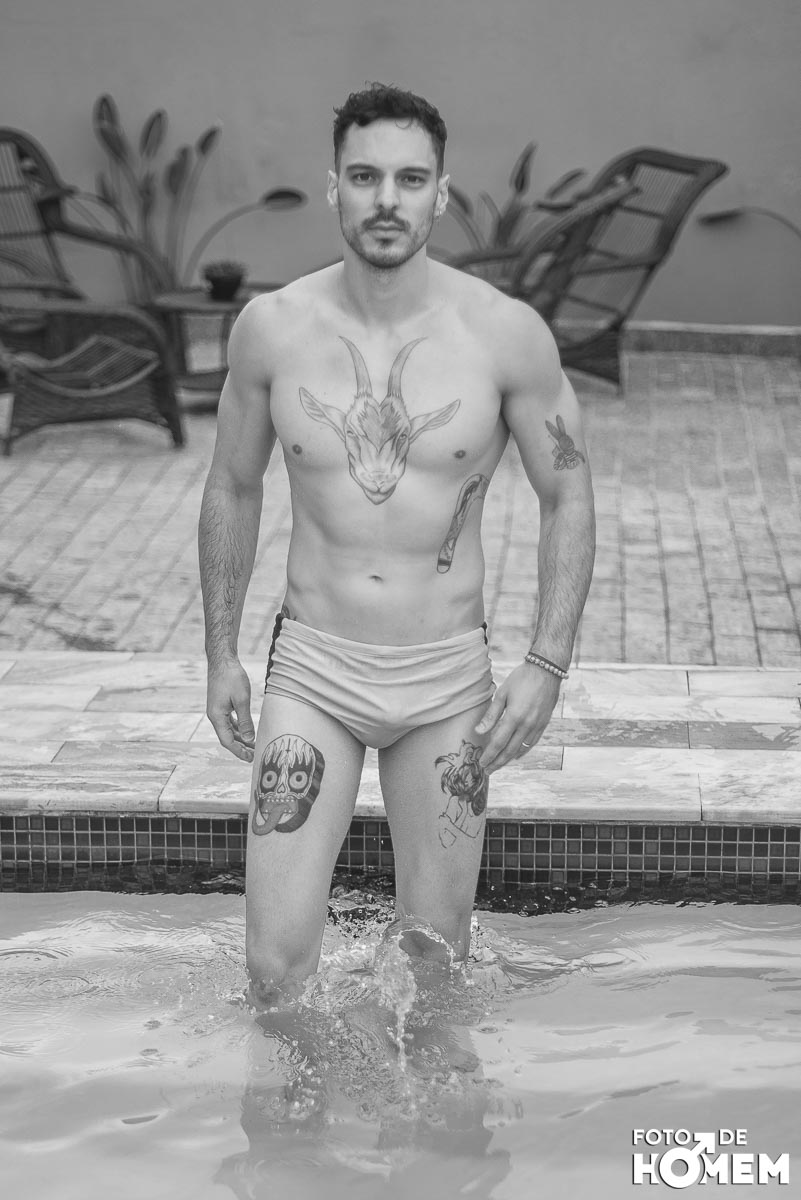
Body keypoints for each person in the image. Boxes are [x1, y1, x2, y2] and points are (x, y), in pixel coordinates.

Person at [198, 83, 595, 1006]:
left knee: (434, 967)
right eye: (365, 176)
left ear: (440, 193)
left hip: (446, 681)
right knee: (273, 970)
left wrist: (547, 662)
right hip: (314, 670)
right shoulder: (272, 329)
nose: (386, 199)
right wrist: (220, 653)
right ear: (332, 185)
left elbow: (567, 492)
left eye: (409, 179)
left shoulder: (503, 334)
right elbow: (232, 484)